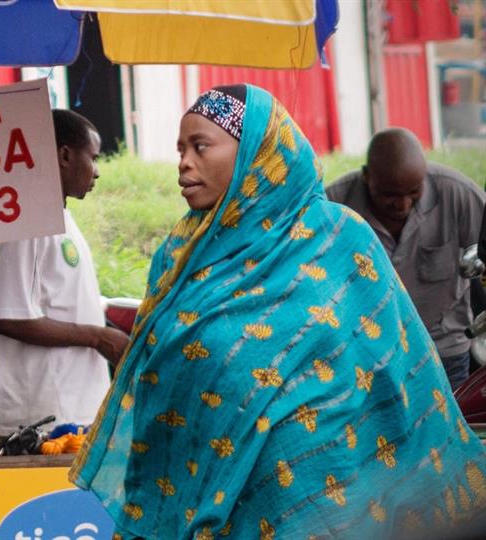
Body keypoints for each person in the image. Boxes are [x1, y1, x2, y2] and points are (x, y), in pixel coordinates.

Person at [73, 84, 486, 538]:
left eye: (200, 146)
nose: (184, 163)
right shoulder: (182, 253)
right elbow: (161, 371)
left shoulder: (336, 237)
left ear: (256, 152)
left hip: (322, 492)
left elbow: (396, 371)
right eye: (180, 149)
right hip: (202, 493)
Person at [0, 109, 128, 437]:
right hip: (42, 418)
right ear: (64, 155)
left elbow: (59, 299)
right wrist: (97, 336)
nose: (97, 171)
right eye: (93, 158)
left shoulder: (60, 219)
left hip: (72, 408)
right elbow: (8, 317)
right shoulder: (27, 220)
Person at [326, 128, 485, 388]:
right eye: (390, 195)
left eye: (413, 192)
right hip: (367, 354)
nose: (402, 204)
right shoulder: (334, 206)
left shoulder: (457, 193)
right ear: (367, 177)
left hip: (443, 349)